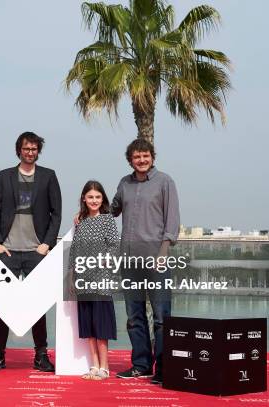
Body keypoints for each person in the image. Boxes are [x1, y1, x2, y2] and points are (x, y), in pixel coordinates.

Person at [0, 131, 62, 372]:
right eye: (26, 148)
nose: (30, 152)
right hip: (7, 250)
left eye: (34, 149)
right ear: (19, 150)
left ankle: (41, 354)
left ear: (38, 151)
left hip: (35, 250)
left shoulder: (48, 176)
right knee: (2, 304)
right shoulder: (5, 175)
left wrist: (46, 244)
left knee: (37, 305)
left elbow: (56, 213)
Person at [112, 139, 180, 385]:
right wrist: (87, 210)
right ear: (130, 159)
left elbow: (172, 222)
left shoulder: (165, 182)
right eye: (136, 157)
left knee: (162, 318)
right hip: (129, 261)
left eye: (145, 156)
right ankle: (141, 365)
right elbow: (113, 209)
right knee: (134, 317)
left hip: (156, 261)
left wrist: (162, 255)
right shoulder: (124, 183)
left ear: (152, 157)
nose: (141, 160)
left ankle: (163, 368)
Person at [69, 180, 119, 380]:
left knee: (102, 326)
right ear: (84, 198)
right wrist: (72, 276)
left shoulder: (107, 220)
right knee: (88, 326)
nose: (94, 200)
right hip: (83, 280)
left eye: (98, 197)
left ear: (103, 199)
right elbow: (74, 250)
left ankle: (104, 367)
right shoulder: (80, 221)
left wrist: (103, 262)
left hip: (101, 280)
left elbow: (114, 246)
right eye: (90, 197)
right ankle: (94, 366)